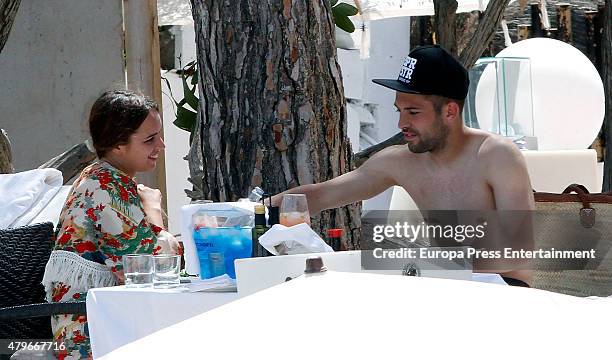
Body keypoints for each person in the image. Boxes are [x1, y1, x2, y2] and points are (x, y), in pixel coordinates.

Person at [272, 45, 534, 286]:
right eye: (399, 111)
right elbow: (323, 194)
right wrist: (251, 209)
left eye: (413, 112)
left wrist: (422, 264)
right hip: (440, 289)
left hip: (503, 296)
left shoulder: (497, 156)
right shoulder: (399, 161)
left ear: (450, 112)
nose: (401, 124)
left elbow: (521, 255)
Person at [42, 90, 179, 359]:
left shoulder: (103, 178)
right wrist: (154, 212)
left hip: (106, 320)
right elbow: (155, 267)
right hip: (93, 334)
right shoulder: (106, 187)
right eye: (150, 139)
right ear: (118, 144)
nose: (161, 146)